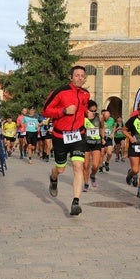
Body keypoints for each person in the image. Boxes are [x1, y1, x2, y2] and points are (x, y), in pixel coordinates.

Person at [42, 65, 90, 216]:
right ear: (71, 77)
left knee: (78, 166)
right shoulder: (60, 92)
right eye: (77, 75)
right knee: (61, 169)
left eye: (82, 76)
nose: (80, 78)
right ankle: (53, 177)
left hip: (78, 135)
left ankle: (76, 202)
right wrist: (63, 111)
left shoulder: (86, 94)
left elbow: (83, 110)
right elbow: (45, 111)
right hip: (60, 136)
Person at [83, 100, 104, 190]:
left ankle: (93, 175)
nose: (94, 113)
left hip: (96, 142)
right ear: (87, 110)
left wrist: (103, 138)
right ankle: (86, 183)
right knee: (86, 165)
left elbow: (102, 127)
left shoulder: (99, 117)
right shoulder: (82, 118)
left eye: (95, 111)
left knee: (96, 165)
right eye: (92, 111)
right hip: (86, 143)